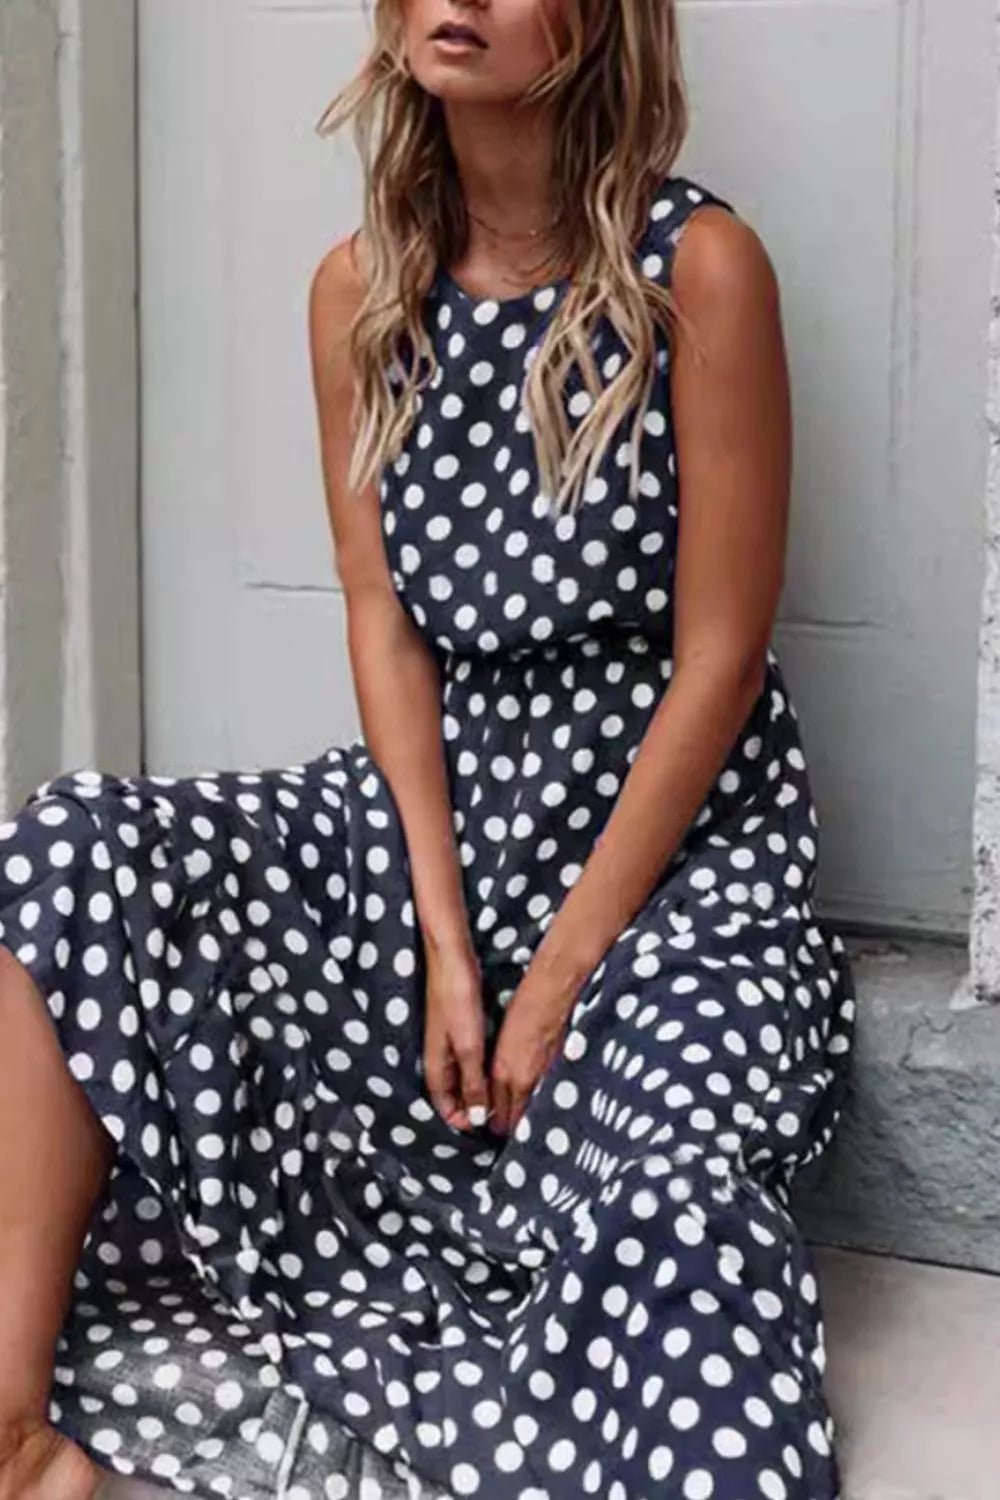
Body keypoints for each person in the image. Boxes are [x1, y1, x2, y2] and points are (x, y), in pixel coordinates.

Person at [0, 1, 858, 1497]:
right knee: (71, 848)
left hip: (668, 883)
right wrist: (446, 942)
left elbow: (720, 659)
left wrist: (558, 977)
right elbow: (382, 620)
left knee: (674, 1215)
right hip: (442, 831)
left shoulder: (699, 271)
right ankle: (12, 1431)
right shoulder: (360, 295)